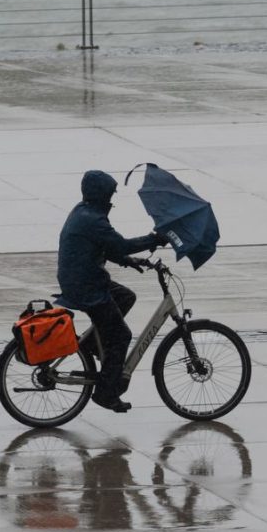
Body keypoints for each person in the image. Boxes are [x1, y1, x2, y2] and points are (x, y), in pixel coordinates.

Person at [56, 170, 165, 413]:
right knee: (121, 336)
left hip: (81, 279)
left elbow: (109, 248)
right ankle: (106, 393)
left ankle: (94, 344)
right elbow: (120, 244)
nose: (111, 202)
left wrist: (130, 261)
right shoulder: (94, 220)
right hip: (87, 286)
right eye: (109, 195)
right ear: (101, 195)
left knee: (126, 297)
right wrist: (154, 239)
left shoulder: (83, 212)